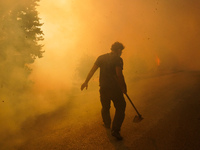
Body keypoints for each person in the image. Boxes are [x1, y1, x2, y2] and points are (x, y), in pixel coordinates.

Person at [81, 42, 127, 140]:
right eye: (121, 51)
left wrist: (86, 82)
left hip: (103, 88)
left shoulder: (101, 58)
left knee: (105, 107)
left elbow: (92, 70)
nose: (121, 53)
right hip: (115, 89)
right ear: (118, 50)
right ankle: (115, 130)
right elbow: (119, 75)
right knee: (121, 107)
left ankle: (107, 124)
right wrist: (123, 87)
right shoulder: (118, 59)